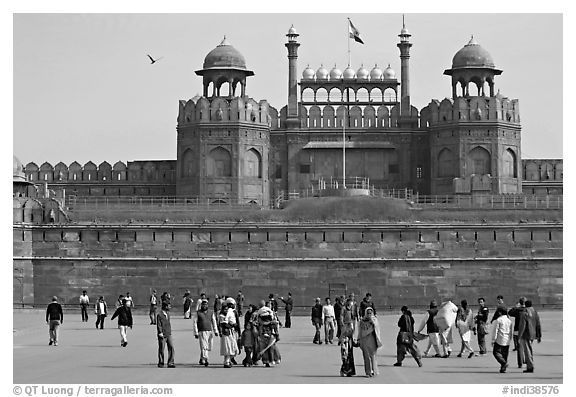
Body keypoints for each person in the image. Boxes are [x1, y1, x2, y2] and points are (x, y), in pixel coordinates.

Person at [517, 300, 542, 373]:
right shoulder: (534, 312)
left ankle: (530, 366)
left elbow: (522, 325)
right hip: (533, 334)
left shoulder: (524, 312)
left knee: (527, 351)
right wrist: (539, 335)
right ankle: (530, 365)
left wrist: (519, 336)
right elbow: (538, 324)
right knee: (529, 350)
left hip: (526, 334)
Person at [358, 307, 382, 377]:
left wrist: (372, 321)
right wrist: (358, 339)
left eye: (370, 313)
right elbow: (360, 330)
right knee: (366, 356)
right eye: (368, 313)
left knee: (373, 355)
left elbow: (377, 329)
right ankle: (368, 372)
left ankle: (374, 370)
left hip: (372, 339)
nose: (369, 314)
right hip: (364, 340)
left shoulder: (374, 320)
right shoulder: (362, 321)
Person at [193, 299, 218, 366]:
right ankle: (205, 359)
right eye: (203, 304)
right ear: (201, 305)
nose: (204, 306)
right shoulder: (198, 313)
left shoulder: (211, 312)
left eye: (206, 304)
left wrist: (216, 330)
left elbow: (214, 321)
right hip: (202, 331)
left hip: (209, 331)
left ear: (207, 305)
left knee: (209, 346)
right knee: (204, 346)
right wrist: (196, 333)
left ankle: (202, 359)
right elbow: (195, 323)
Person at [219, 298, 240, 368]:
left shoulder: (232, 313)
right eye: (225, 309)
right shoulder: (221, 316)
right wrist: (232, 325)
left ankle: (228, 361)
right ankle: (227, 362)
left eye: (227, 309)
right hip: (226, 333)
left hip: (231, 333)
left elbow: (236, 322)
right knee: (228, 348)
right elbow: (223, 324)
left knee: (234, 349)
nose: (226, 310)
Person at [491, 307, 513, 373]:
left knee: (496, 352)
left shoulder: (499, 320)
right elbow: (511, 330)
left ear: (500, 312)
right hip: (507, 338)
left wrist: (493, 339)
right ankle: (503, 368)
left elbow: (496, 330)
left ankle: (503, 363)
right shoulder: (509, 320)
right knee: (505, 354)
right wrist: (510, 338)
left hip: (500, 338)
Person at [339, 298, 356, 376]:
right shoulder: (343, 309)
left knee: (350, 355)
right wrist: (342, 323)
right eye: (349, 302)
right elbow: (341, 316)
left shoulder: (352, 309)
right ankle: (343, 370)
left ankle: (349, 370)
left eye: (351, 303)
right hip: (345, 334)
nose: (350, 304)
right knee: (345, 354)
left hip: (350, 337)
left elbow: (354, 319)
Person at [508, 297, 526, 367]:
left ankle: (520, 362)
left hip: (517, 330)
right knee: (526, 347)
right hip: (526, 331)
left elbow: (509, 313)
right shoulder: (528, 310)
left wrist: (515, 307)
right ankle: (527, 360)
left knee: (519, 348)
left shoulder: (517, 310)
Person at [156, 301, 175, 368]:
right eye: (169, 306)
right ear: (165, 306)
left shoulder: (168, 314)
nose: (170, 307)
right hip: (162, 334)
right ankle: (161, 362)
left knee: (171, 347)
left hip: (168, 333)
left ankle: (170, 362)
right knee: (161, 348)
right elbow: (159, 324)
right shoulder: (159, 315)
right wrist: (160, 332)